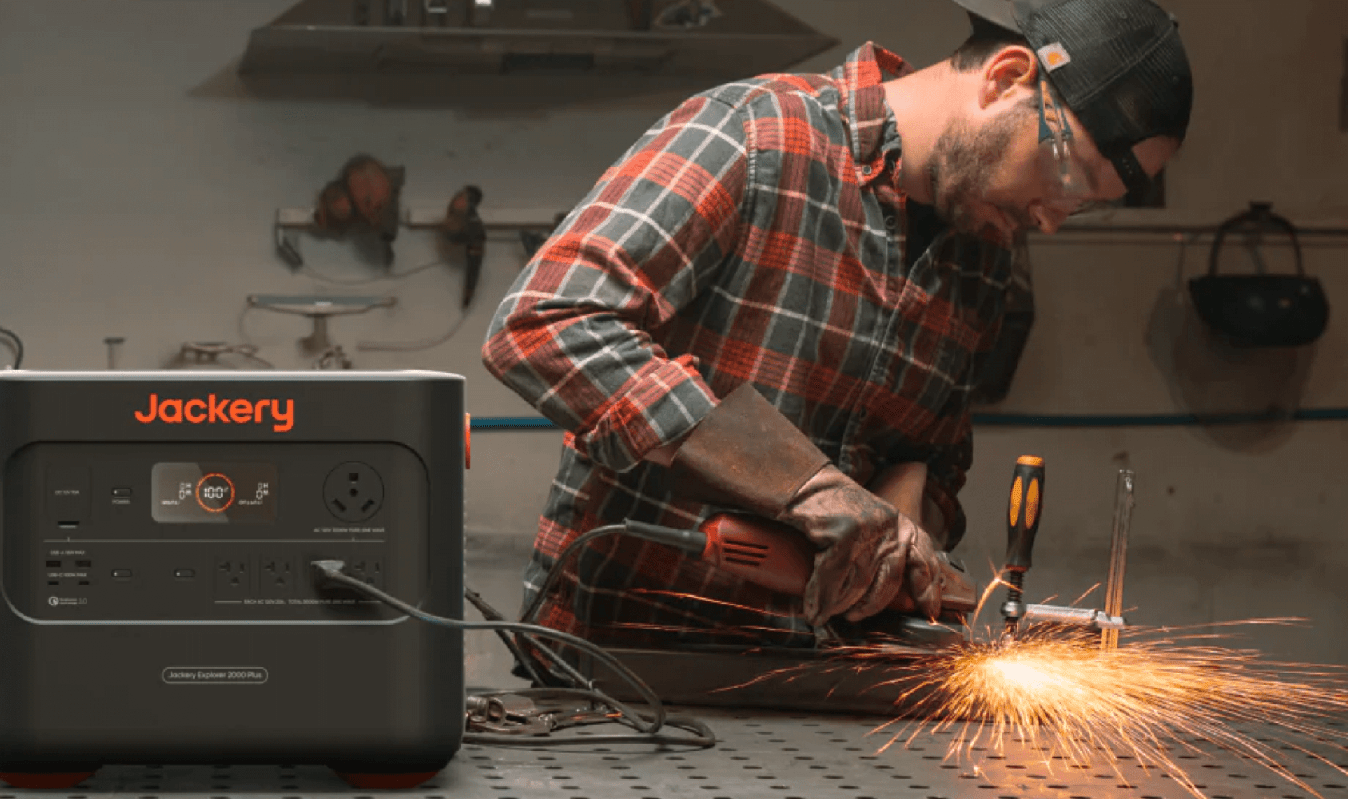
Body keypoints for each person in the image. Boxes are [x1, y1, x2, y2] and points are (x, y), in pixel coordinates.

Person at [480, 0, 1192, 661]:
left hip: (814, 680)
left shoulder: (982, 260)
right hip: (620, 671)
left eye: (1084, 208)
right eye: (1067, 179)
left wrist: (910, 509)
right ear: (1006, 78)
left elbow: (933, 453)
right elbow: (547, 320)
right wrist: (805, 486)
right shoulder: (757, 135)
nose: (1052, 218)